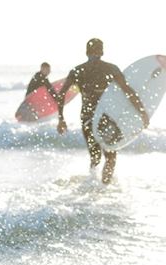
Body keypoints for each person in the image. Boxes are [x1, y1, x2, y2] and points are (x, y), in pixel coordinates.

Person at [56, 38, 149, 184]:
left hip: (87, 117)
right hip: (106, 117)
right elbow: (127, 91)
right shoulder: (111, 69)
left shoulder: (77, 70)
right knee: (110, 155)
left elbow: (61, 95)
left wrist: (61, 119)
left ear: (86, 52)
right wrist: (142, 111)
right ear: (102, 51)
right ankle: (104, 186)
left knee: (95, 156)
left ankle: (92, 184)